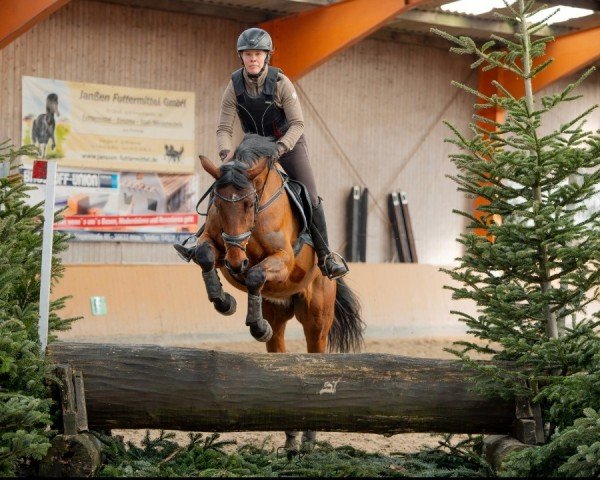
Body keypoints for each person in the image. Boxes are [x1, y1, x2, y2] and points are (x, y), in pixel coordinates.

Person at [215, 27, 348, 280]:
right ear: (241, 57)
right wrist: (225, 154)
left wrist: (281, 148)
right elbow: (223, 128)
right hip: (251, 147)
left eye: (258, 54)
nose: (253, 58)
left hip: (287, 144)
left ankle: (326, 256)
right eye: (248, 54)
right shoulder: (233, 87)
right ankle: (201, 237)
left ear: (267, 56)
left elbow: (298, 124)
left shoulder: (281, 83)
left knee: (310, 195)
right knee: (225, 182)